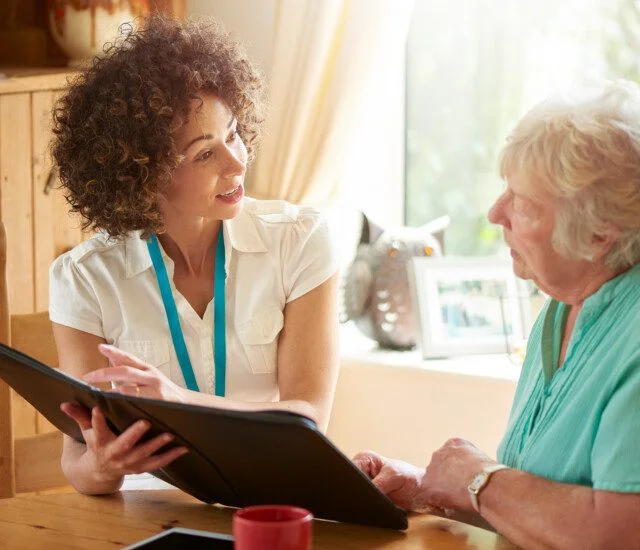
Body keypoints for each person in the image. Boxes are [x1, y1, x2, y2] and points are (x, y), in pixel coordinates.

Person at [49, 15, 340, 496]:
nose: (237, 162)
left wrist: (178, 401)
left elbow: (308, 419)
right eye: (205, 154)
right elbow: (78, 459)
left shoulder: (300, 241)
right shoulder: (82, 278)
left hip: (272, 501)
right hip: (146, 514)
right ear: (144, 174)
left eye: (233, 134)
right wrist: (103, 468)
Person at [354, 80, 640, 549]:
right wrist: (430, 488)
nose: (494, 213)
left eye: (523, 204)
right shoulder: (561, 308)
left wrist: (481, 480)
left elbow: (617, 534)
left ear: (598, 235)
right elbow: (543, 514)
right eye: (505, 190)